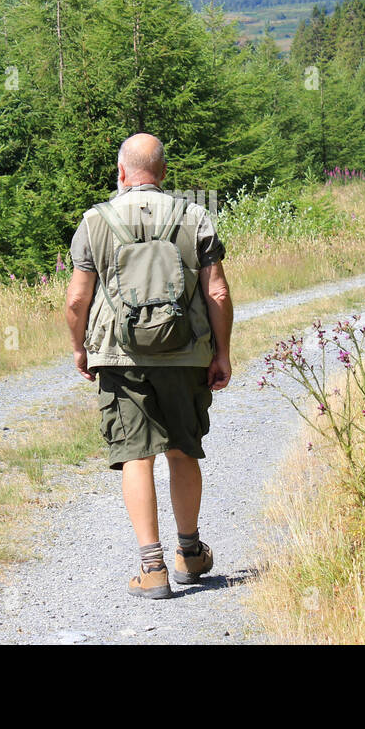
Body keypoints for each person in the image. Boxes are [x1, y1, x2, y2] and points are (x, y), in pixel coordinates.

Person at [64, 133, 234, 599]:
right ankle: (189, 552)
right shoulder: (194, 215)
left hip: (120, 357)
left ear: (122, 173)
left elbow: (78, 297)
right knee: (182, 449)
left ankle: (152, 567)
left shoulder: (95, 221)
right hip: (186, 354)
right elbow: (217, 292)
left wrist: (80, 348)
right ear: (162, 173)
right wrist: (220, 352)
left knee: (136, 455)